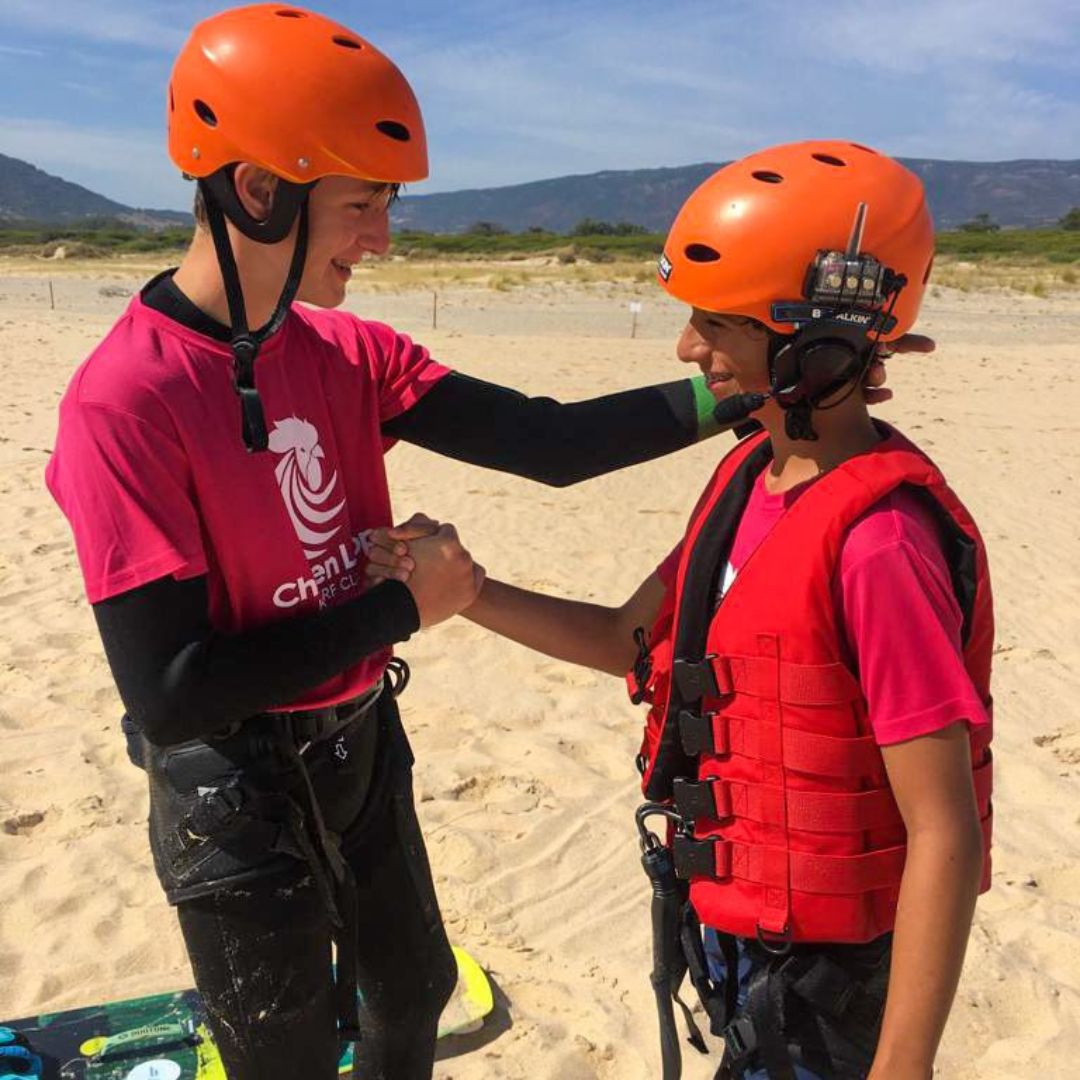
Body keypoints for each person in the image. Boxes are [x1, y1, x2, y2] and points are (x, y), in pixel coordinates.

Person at [416, 141, 994, 1079]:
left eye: (717, 324)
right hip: (739, 948)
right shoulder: (746, 477)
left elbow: (945, 826)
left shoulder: (881, 543)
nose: (688, 348)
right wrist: (469, 594)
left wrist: (904, 1066)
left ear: (819, 343)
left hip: (832, 983)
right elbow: (624, 640)